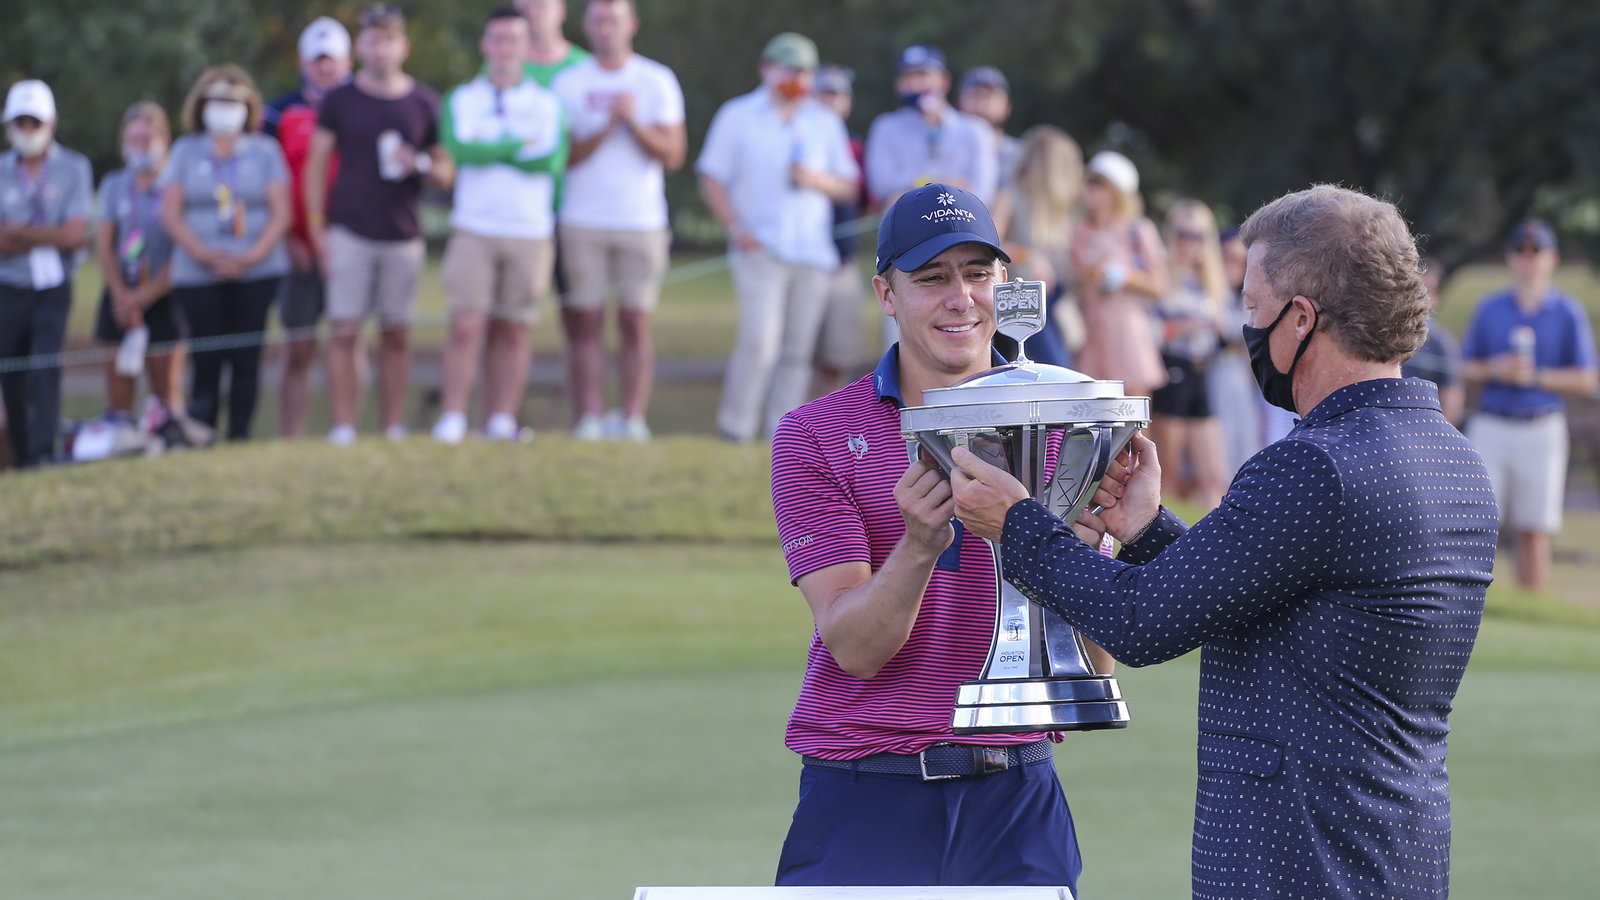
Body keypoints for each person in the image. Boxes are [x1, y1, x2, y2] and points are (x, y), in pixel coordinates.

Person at [949, 184, 1500, 900]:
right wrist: (1148, 533)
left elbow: (1141, 623)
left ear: (1301, 318)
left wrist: (1018, 521)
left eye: (1251, 307)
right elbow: (1275, 595)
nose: (1244, 328)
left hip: (1296, 861)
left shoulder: (1317, 465)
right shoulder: (1453, 459)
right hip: (1397, 850)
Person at [770, 183, 1082, 890]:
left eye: (978, 275)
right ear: (885, 294)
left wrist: (1099, 545)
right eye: (932, 278)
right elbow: (854, 646)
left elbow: (1091, 663)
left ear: (1005, 285)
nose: (960, 298)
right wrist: (916, 546)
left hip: (1017, 795)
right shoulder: (814, 435)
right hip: (864, 788)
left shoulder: (1063, 428)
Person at [697, 32, 857, 443]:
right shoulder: (739, 114)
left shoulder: (823, 120)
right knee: (759, 341)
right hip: (760, 248)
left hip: (812, 252)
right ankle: (736, 427)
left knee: (796, 351)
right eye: (789, 68)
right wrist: (736, 227)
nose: (797, 78)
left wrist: (817, 180)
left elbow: (848, 184)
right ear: (767, 68)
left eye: (804, 71)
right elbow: (711, 176)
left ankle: (782, 435)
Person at [305, 4, 451, 445]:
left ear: (402, 46)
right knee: (345, 330)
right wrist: (317, 228)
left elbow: (446, 171)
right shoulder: (340, 100)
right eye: (371, 40)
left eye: (387, 40)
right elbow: (317, 165)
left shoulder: (423, 102)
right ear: (361, 46)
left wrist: (420, 162)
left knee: (397, 335)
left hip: (402, 233)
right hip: (349, 229)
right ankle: (344, 426)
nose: (379, 49)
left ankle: (391, 426)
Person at [552, 0, 686, 441]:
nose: (606, 27)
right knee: (586, 321)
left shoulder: (655, 79)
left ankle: (631, 418)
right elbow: (562, 157)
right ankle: (590, 417)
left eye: (614, 19)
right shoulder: (569, 83)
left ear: (631, 25)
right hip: (582, 219)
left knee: (635, 321)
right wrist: (606, 127)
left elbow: (672, 154)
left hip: (641, 220)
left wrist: (633, 123)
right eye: (598, 19)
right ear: (587, 26)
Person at [434, 6, 567, 444]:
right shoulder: (462, 98)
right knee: (466, 325)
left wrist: (491, 145)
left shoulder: (547, 102)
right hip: (475, 226)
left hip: (530, 230)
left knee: (514, 327)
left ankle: (500, 418)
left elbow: (548, 160)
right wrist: (515, 146)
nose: (505, 48)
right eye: (498, 39)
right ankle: (453, 417)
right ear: (485, 45)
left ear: (527, 47)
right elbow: (462, 151)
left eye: (514, 40)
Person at [1461, 219, 1598, 591]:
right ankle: (1471, 605)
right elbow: (1464, 366)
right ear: (1510, 258)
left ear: (1551, 258)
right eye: (1520, 251)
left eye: (1535, 252)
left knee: (1534, 527)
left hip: (1541, 425)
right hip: (1492, 424)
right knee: (1478, 522)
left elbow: (1587, 377)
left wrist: (1536, 377)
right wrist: (1496, 368)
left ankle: (1529, 602)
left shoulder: (1567, 312)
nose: (1528, 260)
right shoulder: (1491, 308)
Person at [159, 66, 291, 442]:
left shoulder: (265, 150)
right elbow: (170, 213)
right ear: (201, 105)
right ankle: (202, 432)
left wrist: (250, 257)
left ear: (248, 107)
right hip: (198, 272)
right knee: (206, 359)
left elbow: (281, 213)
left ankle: (240, 436)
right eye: (217, 101)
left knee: (246, 357)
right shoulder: (186, 150)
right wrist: (203, 254)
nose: (225, 109)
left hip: (257, 270)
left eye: (233, 102)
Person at [263, 16, 353, 439]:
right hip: (296, 245)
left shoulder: (362, 103)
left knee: (349, 340)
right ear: (303, 62)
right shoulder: (278, 111)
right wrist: (286, 238)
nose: (325, 68)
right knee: (298, 347)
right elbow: (265, 180)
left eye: (332, 60)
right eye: (318, 60)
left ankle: (345, 428)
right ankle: (292, 436)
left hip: (351, 241)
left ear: (347, 61)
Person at [0, 79, 92, 468]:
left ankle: (42, 452)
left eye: (33, 123)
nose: (26, 131)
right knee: (12, 369)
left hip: (55, 283)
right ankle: (21, 454)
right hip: (9, 285)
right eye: (19, 123)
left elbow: (74, 235)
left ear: (50, 123)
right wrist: (45, 236)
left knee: (45, 364)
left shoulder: (73, 167)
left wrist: (21, 233)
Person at [93, 102, 186, 430]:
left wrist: (144, 296)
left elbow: (182, 250)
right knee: (118, 389)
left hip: (163, 293)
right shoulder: (114, 185)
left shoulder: (176, 184)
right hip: (121, 294)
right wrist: (123, 296)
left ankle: (169, 437)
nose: (140, 146)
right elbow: (104, 245)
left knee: (166, 392)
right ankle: (121, 437)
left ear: (163, 139)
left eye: (147, 138)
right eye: (133, 139)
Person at [1149, 199, 1228, 509]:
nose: (1190, 243)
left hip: (1203, 369)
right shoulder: (1162, 275)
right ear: (1172, 235)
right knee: (1168, 471)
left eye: (1198, 235)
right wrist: (1182, 327)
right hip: (1172, 368)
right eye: (1184, 234)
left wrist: (1218, 327)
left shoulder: (1211, 279)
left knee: (1214, 474)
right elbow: (1149, 330)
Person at [1070, 149, 1167, 397]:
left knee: (1134, 421)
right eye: (1088, 181)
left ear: (1115, 192)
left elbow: (1160, 286)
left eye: (1097, 184)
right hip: (1088, 335)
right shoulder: (1076, 230)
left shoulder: (1137, 229)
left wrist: (1127, 276)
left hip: (1128, 337)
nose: (1088, 189)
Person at [988, 124, 1083, 367]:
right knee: (1049, 369)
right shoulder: (1011, 195)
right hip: (1023, 301)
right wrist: (1028, 255)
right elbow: (990, 244)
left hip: (1055, 300)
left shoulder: (1061, 209)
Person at [864, 45, 998, 208]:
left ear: (944, 80)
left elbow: (982, 191)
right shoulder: (885, 127)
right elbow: (882, 187)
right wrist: (944, 183)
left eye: (922, 75)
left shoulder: (975, 130)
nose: (914, 84)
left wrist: (913, 187)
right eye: (907, 76)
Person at [807, 63, 868, 399]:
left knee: (837, 352)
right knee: (799, 350)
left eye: (837, 94)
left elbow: (864, 198)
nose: (830, 101)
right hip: (804, 257)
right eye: (824, 92)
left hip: (842, 260)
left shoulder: (854, 146)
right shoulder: (796, 134)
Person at [1207, 225, 1264, 478]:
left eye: (1241, 261)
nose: (1234, 266)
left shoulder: (1244, 297)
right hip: (1209, 374)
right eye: (1228, 258)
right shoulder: (1206, 291)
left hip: (1240, 375)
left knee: (1244, 437)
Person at [1403, 259, 1464, 426]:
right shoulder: (1384, 334)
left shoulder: (1442, 343)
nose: (1422, 296)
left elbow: (1452, 401)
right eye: (1417, 287)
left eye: (1429, 290)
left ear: (1437, 296)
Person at [957, 66, 1020, 188]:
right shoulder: (945, 152)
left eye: (990, 96)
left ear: (1007, 106)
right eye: (975, 95)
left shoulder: (1021, 156)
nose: (981, 104)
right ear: (959, 103)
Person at [518, 0, 591, 86]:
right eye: (525, 8)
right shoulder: (502, 66)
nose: (532, 13)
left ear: (562, 11)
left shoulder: (584, 65)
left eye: (541, 6)